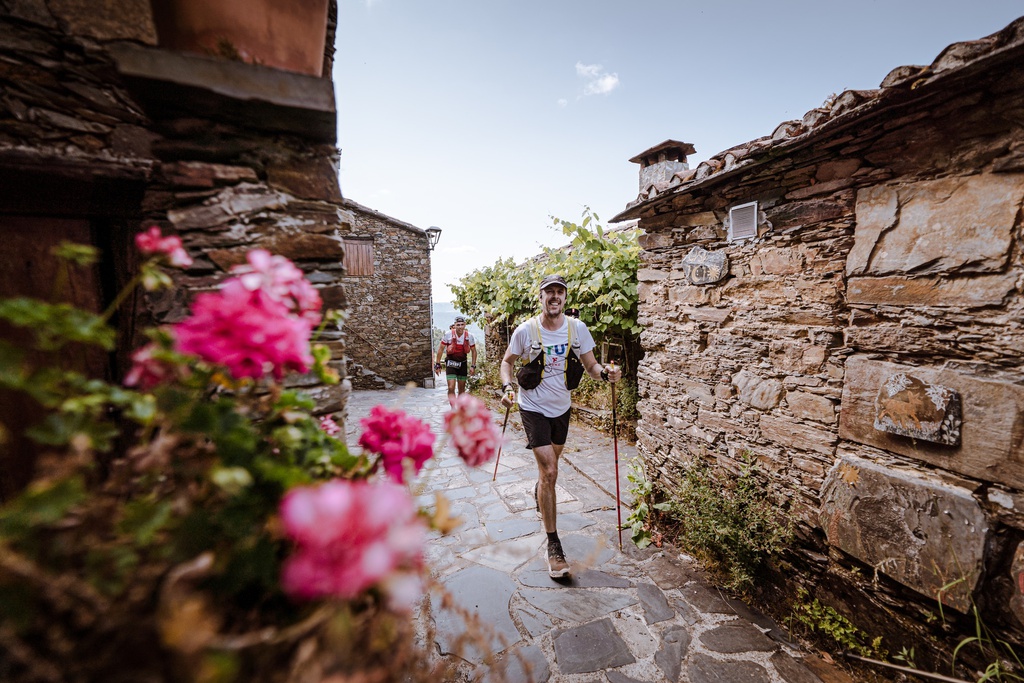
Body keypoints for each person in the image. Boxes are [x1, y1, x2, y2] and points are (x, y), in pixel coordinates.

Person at [499, 274, 621, 578]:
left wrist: (606, 373)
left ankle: (540, 490)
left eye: (560, 292)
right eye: (549, 292)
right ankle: (553, 546)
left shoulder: (576, 329)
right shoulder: (526, 331)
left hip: (561, 410)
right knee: (551, 471)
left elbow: (591, 366)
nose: (555, 297)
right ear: (540, 297)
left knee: (546, 475)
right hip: (532, 408)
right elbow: (506, 362)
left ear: (565, 298)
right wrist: (505, 388)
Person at [435, 315, 477, 407]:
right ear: (455, 325)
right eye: (458, 325)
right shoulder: (448, 335)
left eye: (462, 324)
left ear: (465, 325)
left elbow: (474, 351)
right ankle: (453, 408)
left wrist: (473, 366)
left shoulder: (469, 336)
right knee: (451, 387)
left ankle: (460, 409)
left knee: (461, 390)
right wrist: (437, 364)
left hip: (462, 363)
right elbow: (441, 349)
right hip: (451, 363)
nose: (460, 327)